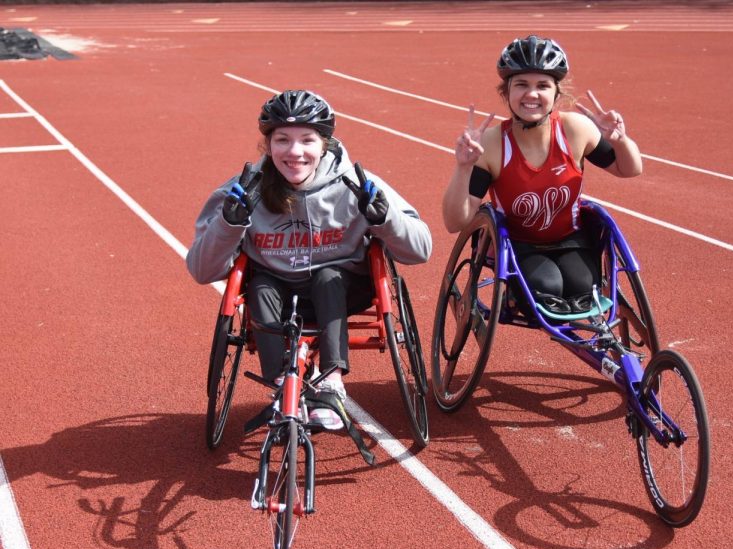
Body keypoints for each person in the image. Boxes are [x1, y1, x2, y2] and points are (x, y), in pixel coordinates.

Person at [188, 89, 432, 430]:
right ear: (268, 144)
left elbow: (420, 250)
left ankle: (331, 383)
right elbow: (201, 270)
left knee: (327, 277)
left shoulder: (355, 184)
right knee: (259, 286)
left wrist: (384, 218)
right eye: (282, 140)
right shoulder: (246, 189)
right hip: (277, 293)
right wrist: (229, 224)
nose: (295, 151)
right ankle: (281, 387)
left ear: (325, 143)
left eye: (307, 140)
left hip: (342, 288)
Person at [442, 35, 642, 316]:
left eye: (542, 86)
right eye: (521, 84)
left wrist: (621, 140)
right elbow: (455, 222)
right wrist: (462, 168)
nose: (532, 94)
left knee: (583, 288)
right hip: (520, 246)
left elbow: (630, 169)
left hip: (572, 238)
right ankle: (514, 294)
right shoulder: (491, 144)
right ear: (506, 92)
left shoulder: (575, 129)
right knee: (548, 288)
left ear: (556, 94)